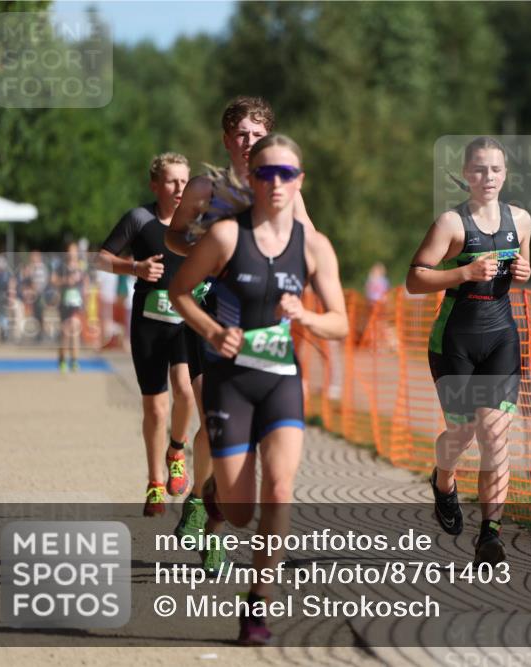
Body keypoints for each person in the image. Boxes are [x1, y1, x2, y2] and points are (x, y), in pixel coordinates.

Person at [169, 133, 348, 645]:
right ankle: (213, 495)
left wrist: (306, 315)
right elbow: (181, 291)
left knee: (280, 489)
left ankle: (258, 604)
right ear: (251, 178)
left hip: (280, 381)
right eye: (266, 173)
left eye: (286, 174)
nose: (275, 183)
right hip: (229, 382)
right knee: (242, 510)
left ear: (299, 182)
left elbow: (339, 321)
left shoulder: (313, 246)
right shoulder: (226, 237)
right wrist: (211, 332)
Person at [164, 97, 317, 573]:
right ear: (227, 140)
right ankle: (203, 501)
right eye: (240, 134)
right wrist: (205, 252)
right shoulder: (206, 187)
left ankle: (207, 510)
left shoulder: (282, 186)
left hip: (261, 319)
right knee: (211, 402)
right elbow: (174, 235)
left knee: (243, 432)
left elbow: (309, 240)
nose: (248, 142)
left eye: (256, 134)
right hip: (211, 310)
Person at [406, 136, 531, 565]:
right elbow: (415, 278)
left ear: (505, 174)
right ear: (466, 175)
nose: (488, 177)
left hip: (501, 336)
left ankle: (490, 536)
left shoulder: (522, 220)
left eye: (496, 169)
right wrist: (463, 272)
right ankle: (444, 481)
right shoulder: (451, 224)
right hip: (454, 341)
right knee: (461, 433)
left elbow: (522, 272)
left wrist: (524, 271)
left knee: (495, 436)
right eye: (479, 169)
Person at [97, 152, 197, 516]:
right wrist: (134, 267)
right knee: (155, 406)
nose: (179, 188)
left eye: (184, 181)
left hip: (187, 320)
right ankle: (155, 481)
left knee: (185, 390)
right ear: (155, 185)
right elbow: (101, 258)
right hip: (149, 323)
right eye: (171, 181)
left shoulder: (199, 223)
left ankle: (177, 449)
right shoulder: (139, 219)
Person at [54, 241, 88, 371]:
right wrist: (65, 281)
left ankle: (74, 361)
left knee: (74, 330)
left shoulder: (81, 266)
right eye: (70, 251)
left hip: (76, 302)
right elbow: (53, 280)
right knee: (65, 333)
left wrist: (85, 298)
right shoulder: (61, 266)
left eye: (74, 251)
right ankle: (62, 359)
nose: (72, 253)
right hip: (64, 302)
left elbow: (86, 282)